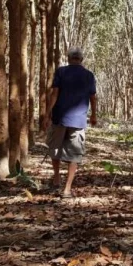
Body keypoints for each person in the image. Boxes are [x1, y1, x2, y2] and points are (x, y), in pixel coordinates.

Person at [44, 47, 97, 198]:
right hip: (78, 120)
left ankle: (56, 179)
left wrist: (47, 114)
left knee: (55, 149)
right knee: (74, 154)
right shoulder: (89, 75)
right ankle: (67, 189)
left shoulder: (61, 71)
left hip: (59, 117)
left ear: (68, 58)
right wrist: (94, 115)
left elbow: (55, 94)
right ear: (81, 59)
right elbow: (93, 97)